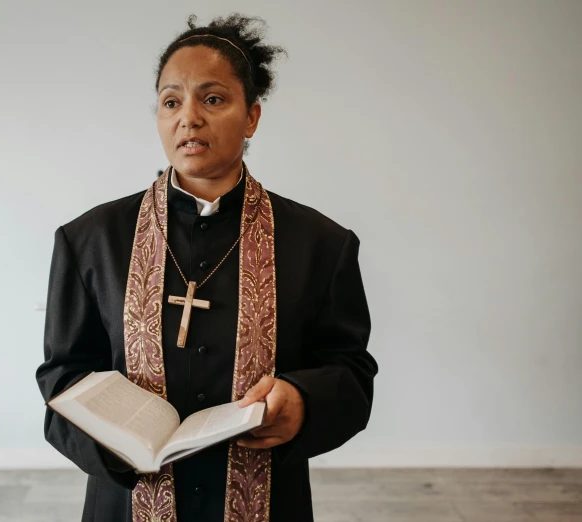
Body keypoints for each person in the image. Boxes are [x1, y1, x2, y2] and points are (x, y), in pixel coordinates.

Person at [36, 13, 378, 522]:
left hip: (266, 500)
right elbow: (62, 376)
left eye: (212, 99)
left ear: (252, 117)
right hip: (128, 504)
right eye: (171, 101)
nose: (188, 118)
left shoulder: (321, 243)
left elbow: (351, 372)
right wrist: (112, 444)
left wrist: (302, 402)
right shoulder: (89, 240)